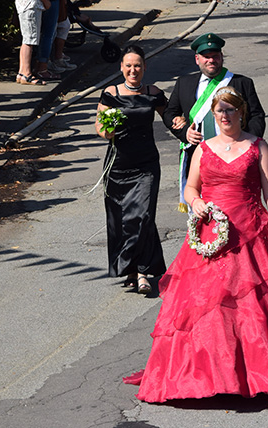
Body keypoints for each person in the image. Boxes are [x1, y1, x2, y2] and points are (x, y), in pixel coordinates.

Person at [123, 87, 268, 402]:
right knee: (210, 306)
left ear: (241, 112)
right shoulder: (203, 149)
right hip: (211, 235)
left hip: (252, 233)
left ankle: (263, 371)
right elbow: (190, 187)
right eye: (220, 111)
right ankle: (213, 374)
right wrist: (196, 201)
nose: (225, 116)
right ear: (214, 115)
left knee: (259, 305)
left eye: (230, 110)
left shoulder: (258, 146)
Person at [95, 45, 170, 294]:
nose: (133, 70)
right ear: (121, 68)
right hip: (118, 166)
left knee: (143, 216)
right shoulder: (110, 93)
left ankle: (142, 272)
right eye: (128, 65)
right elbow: (100, 127)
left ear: (144, 67)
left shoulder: (154, 93)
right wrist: (108, 130)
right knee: (121, 220)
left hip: (146, 164)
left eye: (137, 65)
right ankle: (130, 270)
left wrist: (184, 127)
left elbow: (172, 118)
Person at [163, 32, 266, 212]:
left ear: (221, 57)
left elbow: (257, 116)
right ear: (197, 59)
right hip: (199, 156)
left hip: (234, 156)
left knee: (235, 205)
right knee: (200, 209)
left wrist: (247, 143)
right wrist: (185, 132)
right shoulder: (184, 83)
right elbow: (169, 113)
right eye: (206, 56)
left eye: (215, 56)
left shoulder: (242, 82)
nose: (211, 60)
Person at [15, 0, 47, 85]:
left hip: (26, 6)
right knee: (29, 40)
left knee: (26, 40)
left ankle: (21, 72)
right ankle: (26, 74)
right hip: (30, 6)